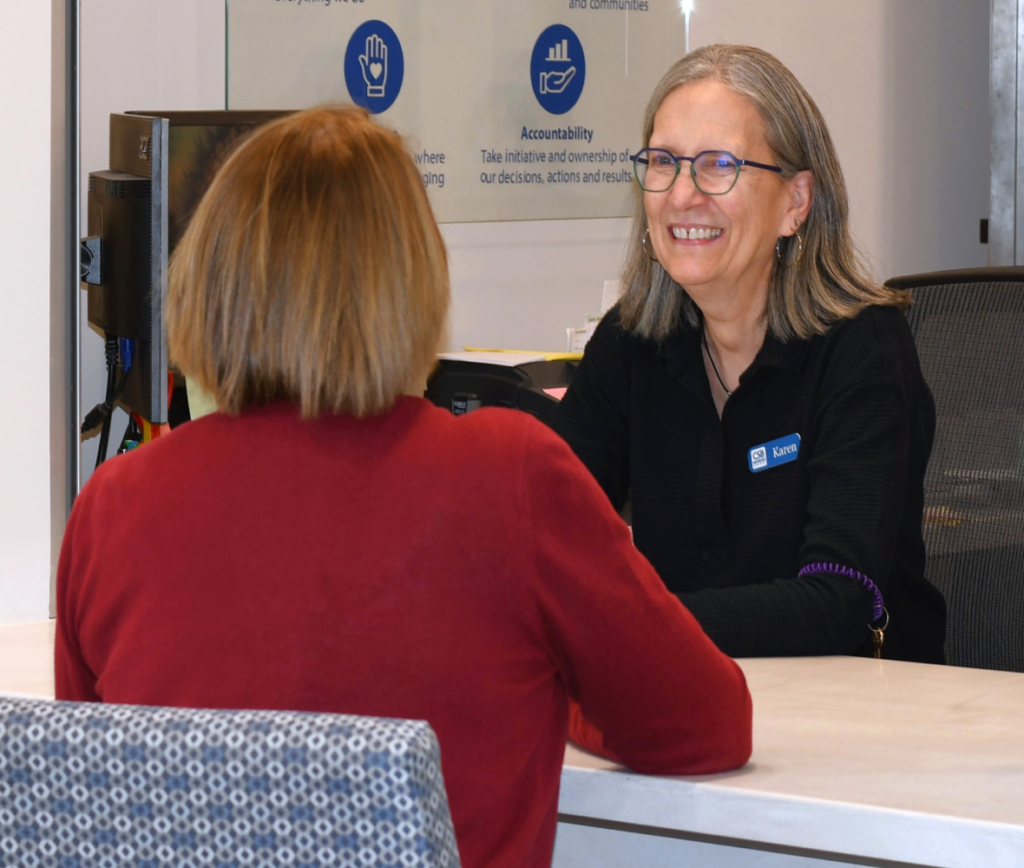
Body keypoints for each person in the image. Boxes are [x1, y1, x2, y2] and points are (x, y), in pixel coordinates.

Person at [55, 106, 752, 868]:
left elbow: (92, 804)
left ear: (206, 281)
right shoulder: (507, 477)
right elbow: (703, 724)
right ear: (412, 281)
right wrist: (558, 683)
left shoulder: (112, 510)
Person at [553, 44, 945, 663]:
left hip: (859, 724)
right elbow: (540, 526)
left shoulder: (864, 348)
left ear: (795, 202)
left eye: (718, 166)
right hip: (687, 700)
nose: (681, 194)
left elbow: (839, 603)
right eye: (663, 162)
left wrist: (629, 620)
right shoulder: (631, 342)